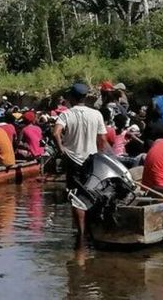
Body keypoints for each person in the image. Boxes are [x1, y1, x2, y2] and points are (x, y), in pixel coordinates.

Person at [53, 83, 109, 243]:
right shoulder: (96, 114)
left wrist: (61, 150)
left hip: (74, 162)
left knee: (76, 198)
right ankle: (92, 230)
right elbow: (103, 139)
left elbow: (56, 133)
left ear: (71, 98)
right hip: (92, 162)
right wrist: (99, 155)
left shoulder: (66, 115)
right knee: (92, 193)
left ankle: (81, 235)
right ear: (85, 97)